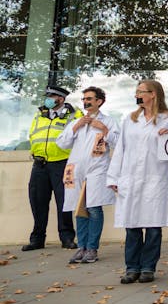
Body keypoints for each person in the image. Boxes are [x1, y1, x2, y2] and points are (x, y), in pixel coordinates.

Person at [107, 80, 168, 284]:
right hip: (131, 178)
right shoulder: (130, 119)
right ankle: (132, 267)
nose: (137, 95)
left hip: (154, 179)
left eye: (141, 92)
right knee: (132, 225)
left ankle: (148, 267)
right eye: (136, 92)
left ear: (153, 94)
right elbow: (121, 149)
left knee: (154, 226)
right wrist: (113, 177)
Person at [57, 86, 119, 264]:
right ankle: (81, 247)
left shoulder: (108, 120)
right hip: (76, 170)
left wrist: (104, 129)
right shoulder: (77, 121)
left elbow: (118, 142)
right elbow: (62, 143)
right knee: (79, 210)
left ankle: (92, 248)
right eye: (84, 99)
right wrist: (76, 126)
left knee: (93, 208)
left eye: (89, 99)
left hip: (97, 169)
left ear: (99, 101)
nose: (85, 102)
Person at [24, 85, 82, 251]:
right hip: (39, 164)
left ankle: (67, 238)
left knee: (64, 202)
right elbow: (33, 135)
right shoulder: (39, 114)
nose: (47, 99)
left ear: (61, 99)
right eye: (47, 96)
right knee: (37, 201)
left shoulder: (74, 115)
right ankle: (37, 239)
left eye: (51, 96)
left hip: (62, 163)